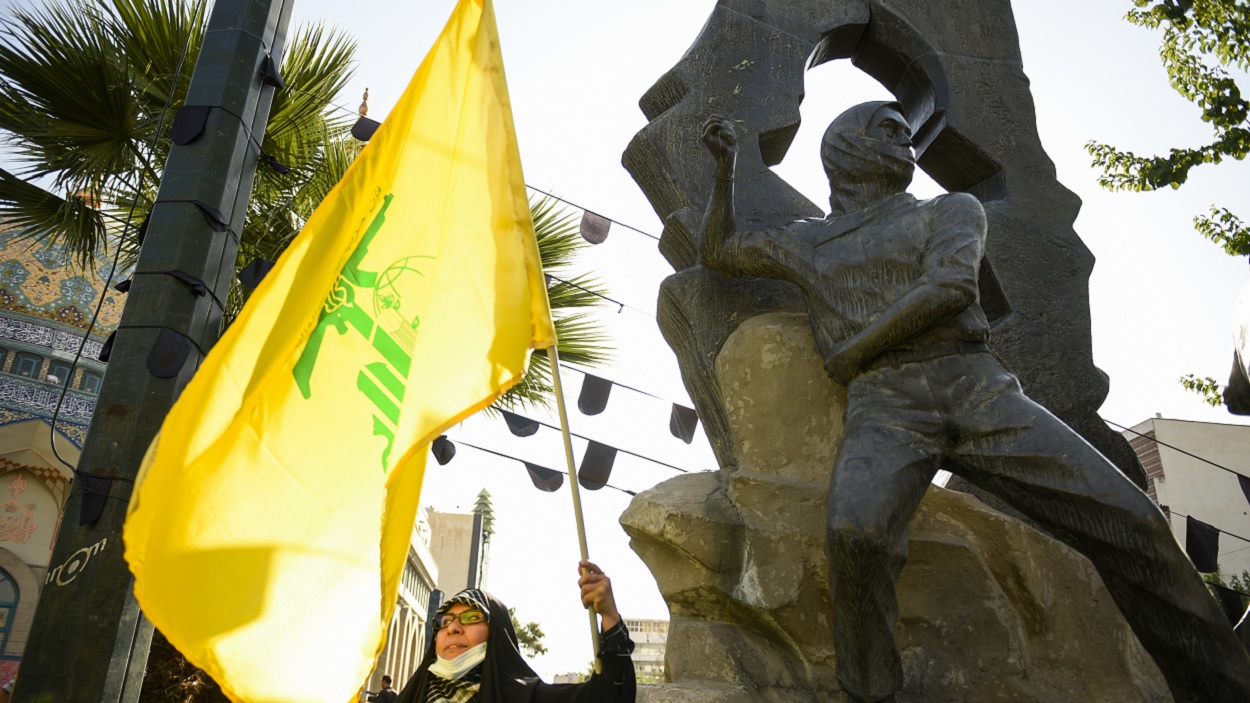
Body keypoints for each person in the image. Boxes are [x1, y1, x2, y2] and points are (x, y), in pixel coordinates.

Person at [698, 103, 1250, 703]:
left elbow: (951, 286)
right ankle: (870, 693)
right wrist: (725, 173)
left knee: (1132, 515)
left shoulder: (951, 208)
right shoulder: (806, 240)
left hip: (975, 385)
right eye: (887, 129)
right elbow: (720, 251)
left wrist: (851, 351)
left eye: (909, 132)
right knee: (855, 533)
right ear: (845, 147)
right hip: (885, 406)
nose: (905, 140)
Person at [395, 560, 634, 703]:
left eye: (472, 617)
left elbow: (608, 695)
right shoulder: (410, 697)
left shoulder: (527, 699)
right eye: (445, 621)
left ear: (496, 634)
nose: (454, 628)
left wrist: (609, 616)